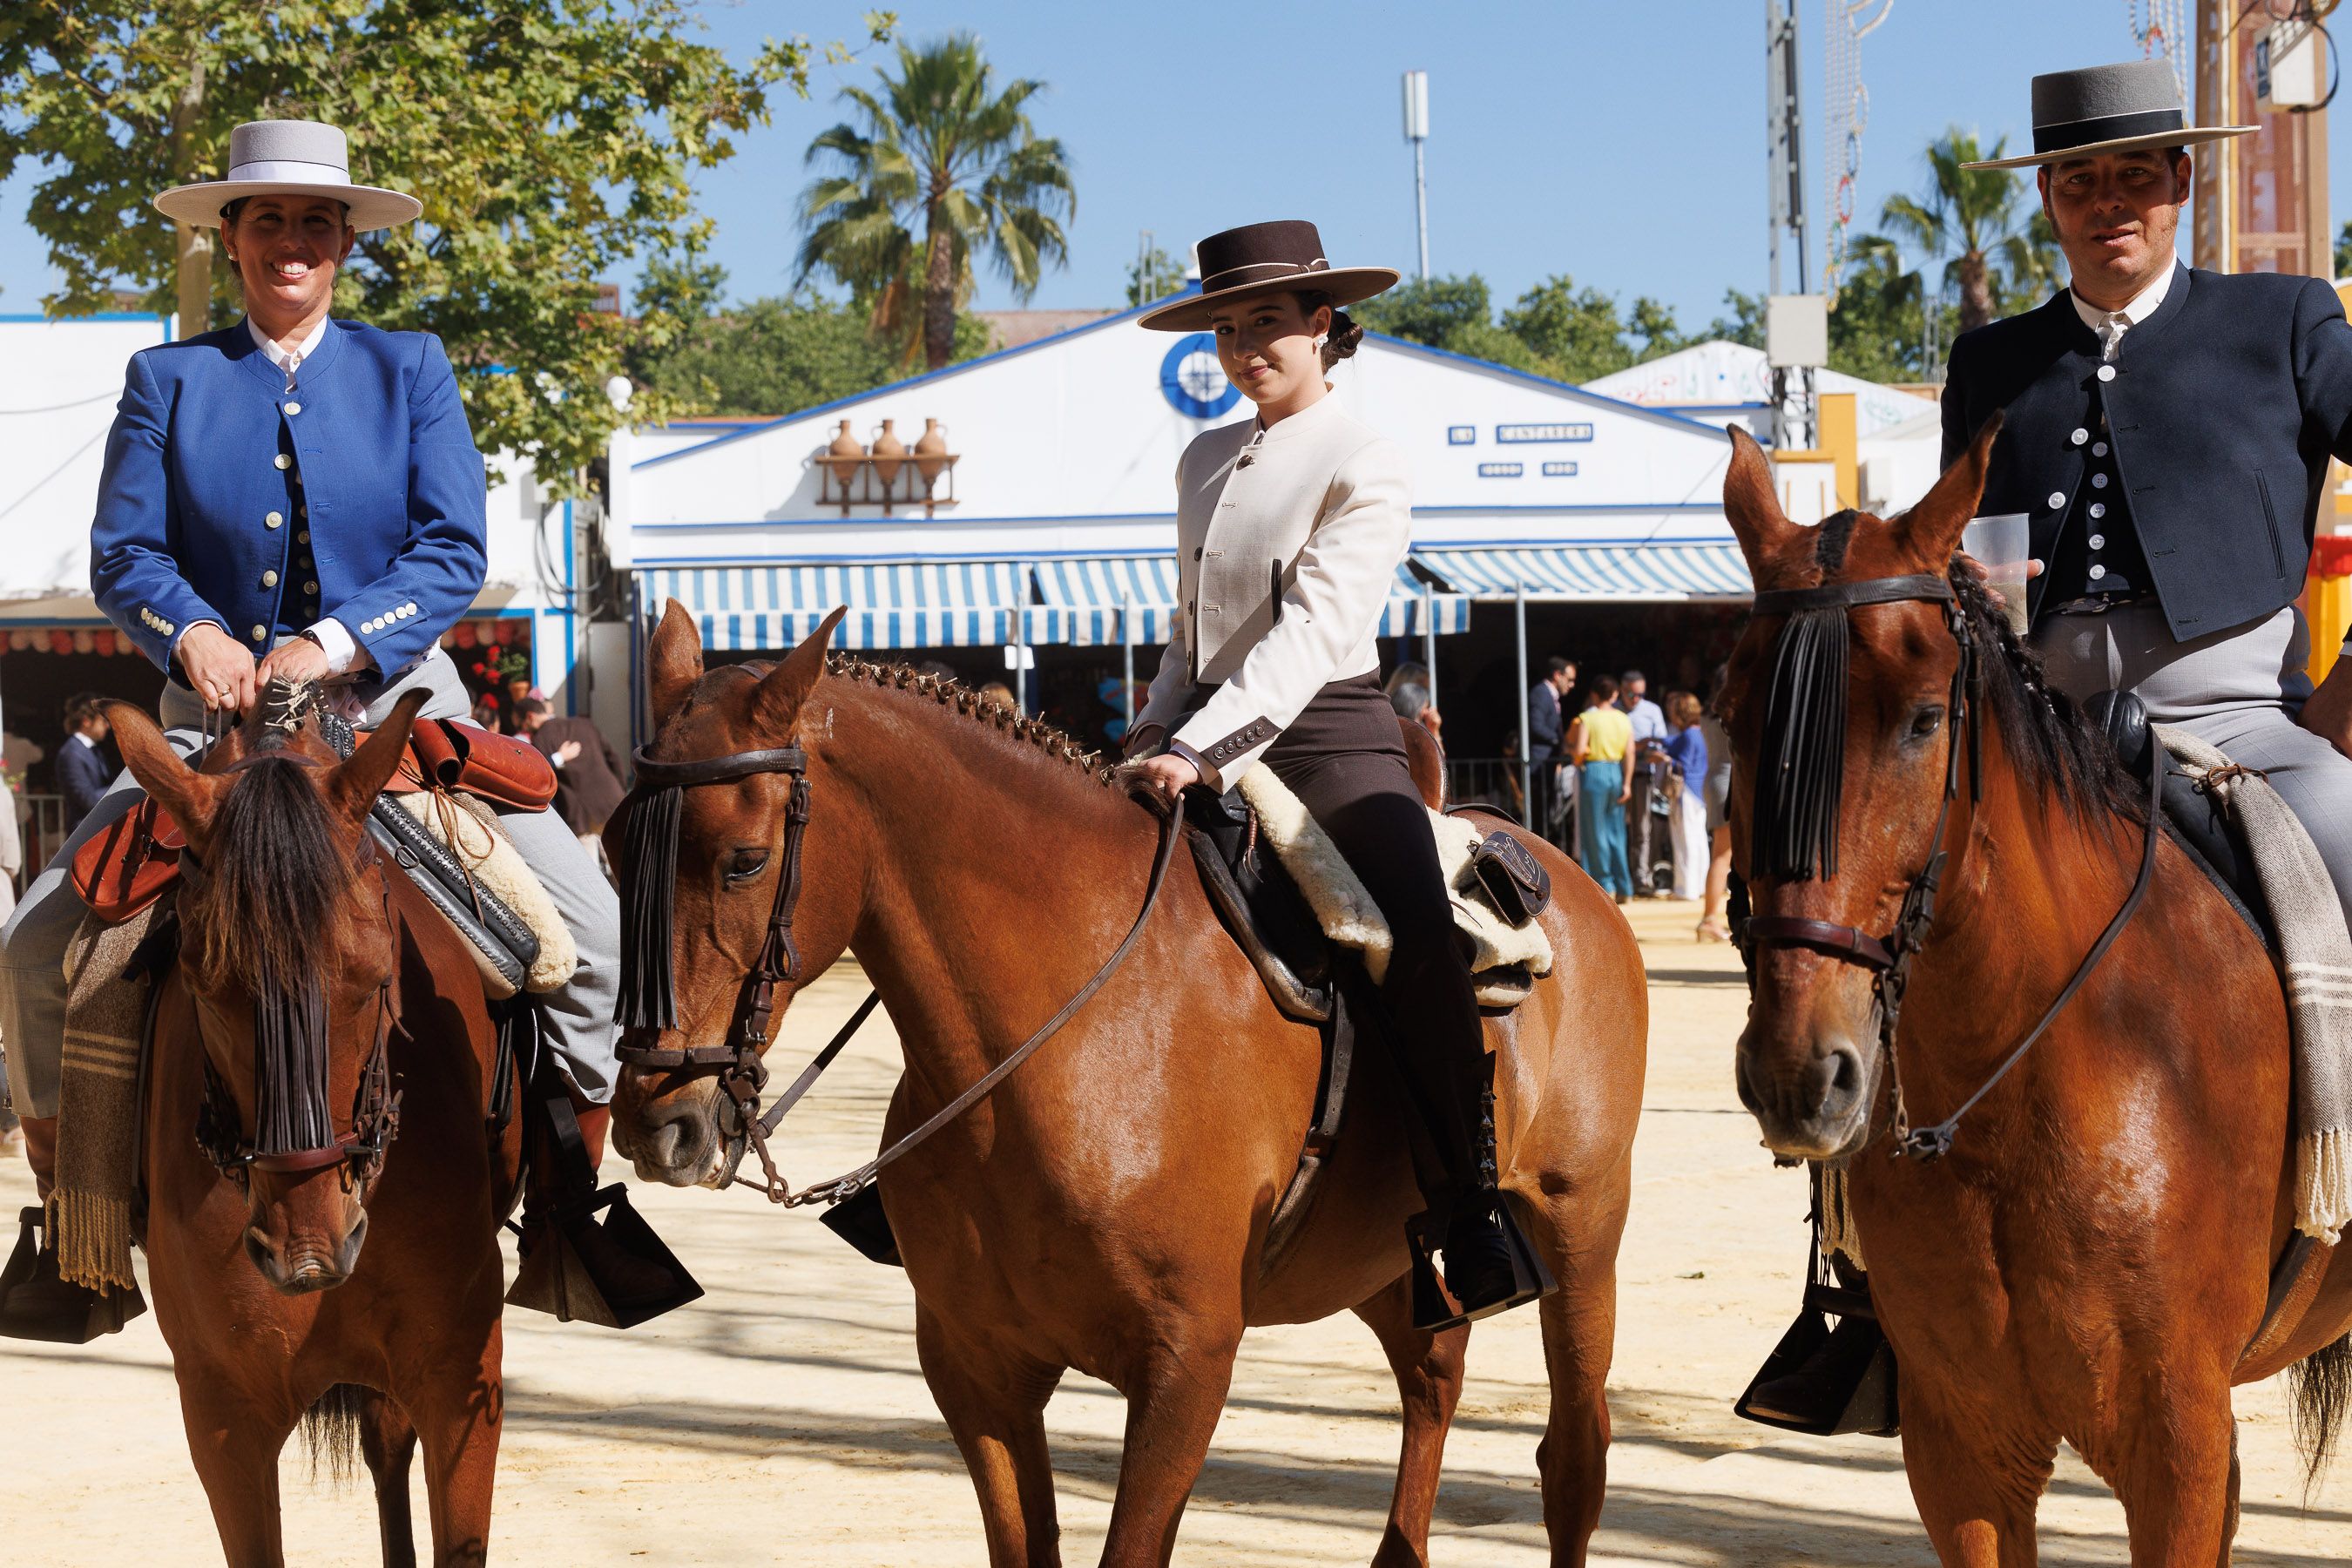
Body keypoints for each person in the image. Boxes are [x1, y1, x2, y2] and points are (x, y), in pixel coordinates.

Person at [1747, 57, 2352, 1429]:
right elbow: (1979, 564)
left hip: (2243, 716)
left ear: (2183, 182)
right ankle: (1860, 1281)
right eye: (2080, 183)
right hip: (2043, 727)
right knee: (1884, 930)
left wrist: (2348, 693)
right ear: (2053, 207)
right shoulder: (1994, 359)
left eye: (2134, 175)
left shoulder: (2286, 320)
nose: (2107, 204)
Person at [0, 119, 652, 1339]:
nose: (291, 241)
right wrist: (191, 633)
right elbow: (123, 553)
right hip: (219, 735)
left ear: (346, 242)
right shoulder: (170, 380)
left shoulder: (410, 367)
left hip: (394, 714)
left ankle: (570, 1201)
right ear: (231, 240)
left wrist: (341, 640)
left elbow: (453, 544)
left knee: (593, 931)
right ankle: (73, 1228)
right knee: (40, 950)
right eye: (266, 222)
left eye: (314, 222)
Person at [1126, 219, 1544, 1328]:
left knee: (1409, 938)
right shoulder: (1202, 458)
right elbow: (1192, 627)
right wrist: (1150, 733)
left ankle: (1469, 1209)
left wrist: (1200, 748)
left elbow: (1313, 632)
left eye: (1268, 322)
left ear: (1321, 326)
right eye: (1228, 326)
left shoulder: (1365, 456)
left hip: (1332, 738)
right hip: (1201, 724)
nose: (1246, 344)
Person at [514, 697, 626, 866]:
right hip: (612, 803)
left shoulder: (540, 740)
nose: (522, 730)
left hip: (579, 816)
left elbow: (541, 779)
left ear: (530, 717)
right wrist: (620, 789)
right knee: (623, 865)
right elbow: (614, 758)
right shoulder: (584, 724)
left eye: (520, 724)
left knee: (590, 875)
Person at [1567, 675, 1633, 902]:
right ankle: (1625, 885)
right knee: (1616, 831)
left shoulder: (1588, 718)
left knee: (1595, 831)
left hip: (1594, 771)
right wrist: (1627, 782)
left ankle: (1604, 884)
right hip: (1616, 771)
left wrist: (1575, 758)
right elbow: (1630, 752)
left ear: (1594, 694)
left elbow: (1579, 750)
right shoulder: (1623, 719)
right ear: (1615, 695)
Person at [1619, 670, 1669, 895]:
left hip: (1642, 776)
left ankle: (1640, 877)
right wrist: (1637, 747)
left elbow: (1660, 743)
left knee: (1641, 829)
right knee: (1616, 829)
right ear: (1622, 689)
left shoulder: (1652, 711)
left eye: (1641, 694)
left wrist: (1643, 748)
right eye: (1632, 693)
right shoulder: (1613, 710)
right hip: (1616, 774)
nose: (1636, 699)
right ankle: (1619, 878)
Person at [1697, 666, 1734, 943]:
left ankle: (1711, 917)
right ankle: (1709, 918)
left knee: (1722, 853)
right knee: (1724, 855)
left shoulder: (1707, 713)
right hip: (1731, 781)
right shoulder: (1731, 712)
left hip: (1713, 779)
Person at [1663, 692, 1709, 902]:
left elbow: (1681, 765)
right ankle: (1699, 885)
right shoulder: (1700, 732)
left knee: (1685, 839)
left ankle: (1686, 888)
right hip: (1699, 791)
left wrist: (1663, 758)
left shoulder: (1688, 736)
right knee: (1698, 839)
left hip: (1687, 790)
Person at [54, 695, 113, 835]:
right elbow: (89, 799)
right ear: (86, 721)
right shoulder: (71, 753)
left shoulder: (92, 750)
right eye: (103, 721)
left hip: (97, 829)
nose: (108, 726)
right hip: (84, 834)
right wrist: (122, 789)